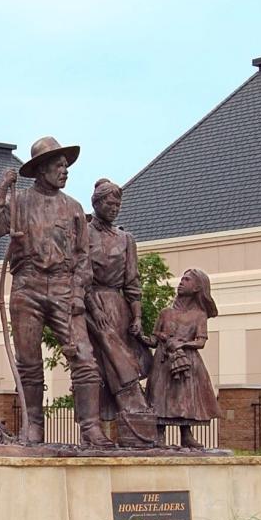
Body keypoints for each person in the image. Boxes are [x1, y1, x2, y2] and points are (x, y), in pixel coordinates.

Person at [0, 136, 111, 447]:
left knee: (84, 357)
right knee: (29, 361)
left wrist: (78, 293)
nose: (65, 170)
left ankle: (91, 427)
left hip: (65, 289)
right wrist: (1, 188)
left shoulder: (74, 208)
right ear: (41, 169)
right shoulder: (19, 202)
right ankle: (34, 426)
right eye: (58, 164)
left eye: (66, 165)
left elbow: (83, 257)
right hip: (28, 286)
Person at [85, 178, 153, 428]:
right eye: (110, 204)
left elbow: (132, 283)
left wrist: (136, 317)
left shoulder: (126, 239)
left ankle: (131, 422)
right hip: (92, 305)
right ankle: (94, 429)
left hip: (119, 307)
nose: (115, 209)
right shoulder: (83, 232)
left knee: (127, 362)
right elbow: (80, 275)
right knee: (98, 368)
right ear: (97, 203)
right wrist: (93, 308)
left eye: (118, 205)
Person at [146, 268, 221, 448]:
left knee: (185, 398)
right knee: (159, 396)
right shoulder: (166, 313)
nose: (181, 282)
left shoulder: (199, 315)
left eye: (187, 280)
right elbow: (154, 340)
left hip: (187, 362)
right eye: (182, 279)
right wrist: (139, 337)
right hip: (163, 361)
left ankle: (186, 435)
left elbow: (201, 342)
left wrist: (183, 344)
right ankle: (159, 435)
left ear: (197, 288)